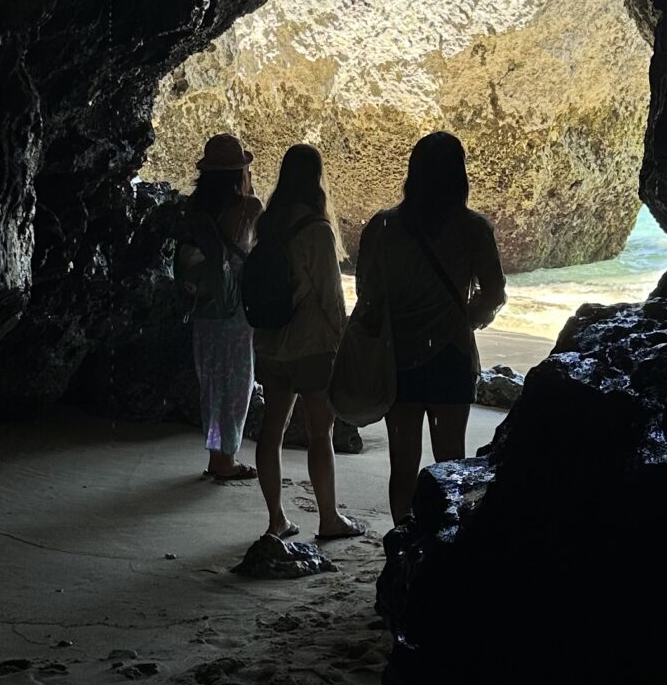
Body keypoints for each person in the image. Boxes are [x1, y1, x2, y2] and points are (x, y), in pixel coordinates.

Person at [352, 130, 505, 527]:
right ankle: (446, 546)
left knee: (402, 464)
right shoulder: (474, 229)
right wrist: (464, 320)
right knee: (451, 463)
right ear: (460, 175)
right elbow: (494, 293)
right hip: (452, 356)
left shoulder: (384, 227)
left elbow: (367, 291)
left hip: (398, 357)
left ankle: (401, 543)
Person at [250, 145, 364, 544]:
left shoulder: (268, 224)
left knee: (272, 430)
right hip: (311, 345)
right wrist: (345, 338)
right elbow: (331, 296)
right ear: (317, 178)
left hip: (270, 342)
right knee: (320, 434)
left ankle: (276, 519)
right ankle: (328, 518)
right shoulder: (316, 229)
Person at [172, 133, 262, 482]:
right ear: (240, 171)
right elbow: (259, 249)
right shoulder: (250, 207)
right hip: (235, 305)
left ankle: (215, 455)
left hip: (204, 302)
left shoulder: (194, 209)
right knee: (238, 380)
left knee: (210, 378)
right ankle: (227, 458)